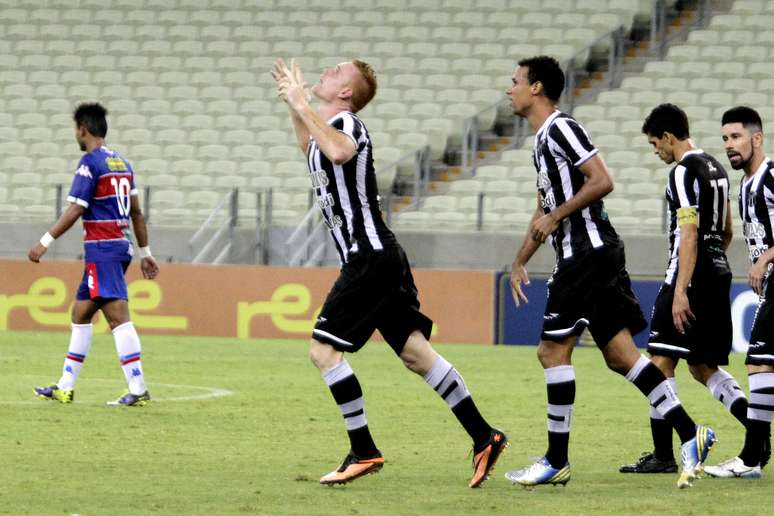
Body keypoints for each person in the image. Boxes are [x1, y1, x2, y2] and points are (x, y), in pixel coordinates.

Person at [270, 58, 506, 487]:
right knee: (417, 355)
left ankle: (363, 449)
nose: (326, 70)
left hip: (369, 258)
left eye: (337, 70)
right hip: (380, 258)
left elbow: (339, 150)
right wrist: (294, 103)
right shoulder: (328, 128)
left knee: (323, 352)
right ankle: (484, 436)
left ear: (347, 92)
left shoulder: (349, 126)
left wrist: (303, 102)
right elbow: (310, 144)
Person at [501, 56, 714, 489]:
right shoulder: (542, 142)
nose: (510, 89)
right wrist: (521, 257)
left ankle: (555, 460)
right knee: (622, 357)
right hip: (588, 255)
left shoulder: (562, 128)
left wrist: (557, 215)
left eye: (515, 81)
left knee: (551, 352)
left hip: (587, 254)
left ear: (537, 87)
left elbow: (601, 180)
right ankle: (691, 433)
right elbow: (544, 209)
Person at [620, 104, 748, 474]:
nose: (655, 151)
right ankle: (758, 432)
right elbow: (726, 230)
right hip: (717, 271)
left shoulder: (681, 173)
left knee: (659, 361)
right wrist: (709, 266)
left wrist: (681, 289)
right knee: (703, 366)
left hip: (688, 276)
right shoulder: (717, 168)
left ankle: (663, 455)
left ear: (669, 138)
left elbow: (688, 233)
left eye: (654, 143)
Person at [30, 102, 159, 407]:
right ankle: (65, 387)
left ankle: (138, 389)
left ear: (83, 130)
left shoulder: (90, 163)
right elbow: (137, 213)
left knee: (118, 318)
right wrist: (145, 252)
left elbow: (76, 207)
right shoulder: (123, 165)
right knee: (81, 313)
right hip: (119, 246)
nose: (76, 134)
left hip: (102, 249)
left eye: (76, 129)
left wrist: (45, 241)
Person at [702, 106, 774, 478]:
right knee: (761, 363)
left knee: (759, 361)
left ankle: (752, 458)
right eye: (726, 139)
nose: (729, 145)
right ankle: (755, 455)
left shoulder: (771, 176)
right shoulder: (745, 184)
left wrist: (764, 261)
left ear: (756, 138)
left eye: (736, 137)